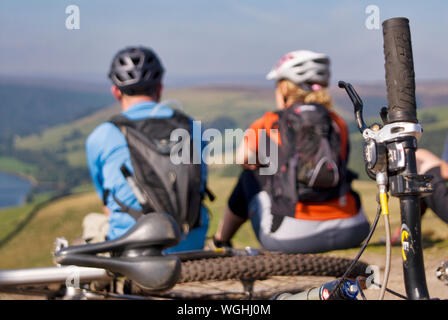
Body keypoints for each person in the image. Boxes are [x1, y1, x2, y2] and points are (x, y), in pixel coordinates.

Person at [212, 50, 370, 254]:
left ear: (285, 88)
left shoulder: (269, 122)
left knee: (248, 176)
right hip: (351, 229)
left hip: (291, 237)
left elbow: (243, 159)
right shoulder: (337, 122)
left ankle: (220, 241)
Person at [84, 46, 209, 253]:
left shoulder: (102, 136)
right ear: (159, 88)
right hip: (190, 245)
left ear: (116, 92)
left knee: (92, 222)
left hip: (132, 248)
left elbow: (106, 203)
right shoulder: (194, 129)